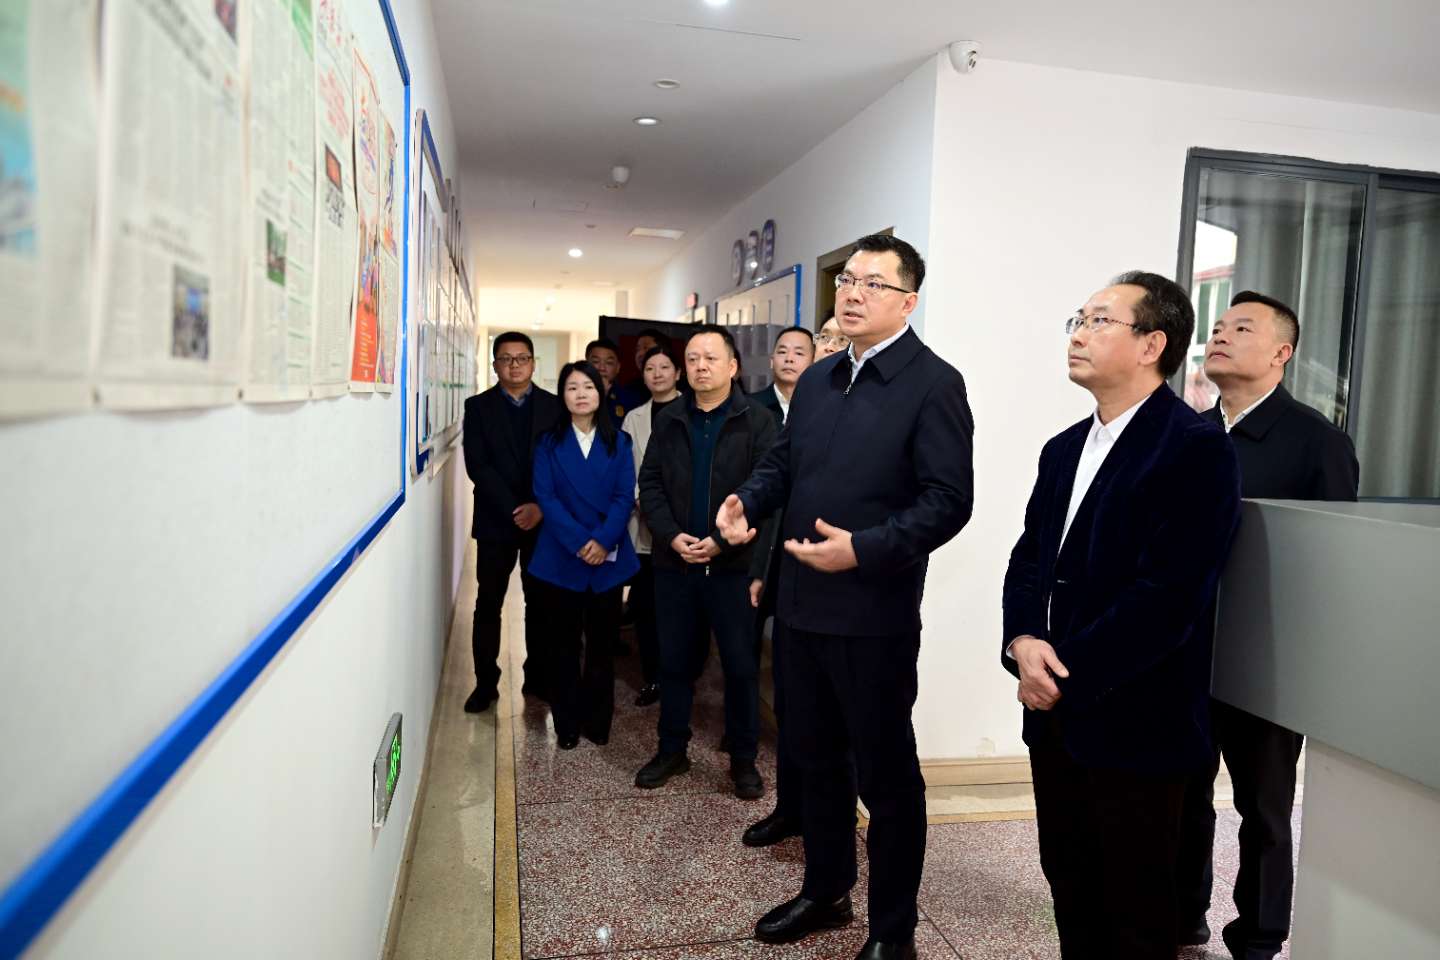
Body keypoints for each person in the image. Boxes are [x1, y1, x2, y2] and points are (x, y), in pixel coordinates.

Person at [717, 235, 975, 960]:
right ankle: (826, 890)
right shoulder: (821, 379)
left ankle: (894, 931)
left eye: (873, 283)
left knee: (886, 781)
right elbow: (782, 464)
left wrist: (864, 548)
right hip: (801, 608)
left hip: (872, 616)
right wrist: (746, 501)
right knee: (814, 760)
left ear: (908, 301)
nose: (854, 293)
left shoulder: (934, 383)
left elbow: (949, 501)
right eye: (849, 280)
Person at [1002, 271, 1242, 959]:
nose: (1079, 334)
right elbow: (1030, 558)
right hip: (1053, 715)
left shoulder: (1194, 447)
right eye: (1078, 320)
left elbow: (1169, 597)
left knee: (1137, 905)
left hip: (1139, 719)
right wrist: (1022, 639)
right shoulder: (1063, 448)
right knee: (1069, 881)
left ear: (1151, 344)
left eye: (1099, 321)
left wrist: (1061, 673)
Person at [1175, 291, 1359, 959]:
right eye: (1219, 326)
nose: (1220, 335)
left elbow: (1332, 566)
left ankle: (1258, 936)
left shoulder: (1317, 443)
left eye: (1241, 328)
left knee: (1265, 809)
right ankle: (1182, 915)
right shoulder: (1188, 433)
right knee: (1182, 794)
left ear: (1282, 352)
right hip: (1187, 651)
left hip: (1270, 660)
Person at [635, 325, 778, 800]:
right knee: (675, 664)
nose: (700, 366)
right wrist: (670, 536)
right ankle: (671, 750)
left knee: (739, 667)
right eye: (693, 358)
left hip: (732, 569)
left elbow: (768, 492)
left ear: (732, 366)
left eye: (711, 358)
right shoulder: (670, 418)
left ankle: (743, 760)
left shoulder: (759, 422)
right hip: (675, 565)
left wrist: (720, 542)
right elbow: (650, 484)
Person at [527, 362, 639, 750]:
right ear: (562, 395)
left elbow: (624, 497)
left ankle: (598, 719)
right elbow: (546, 498)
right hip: (562, 555)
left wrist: (603, 541)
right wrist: (580, 542)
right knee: (563, 645)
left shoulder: (620, 442)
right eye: (572, 387)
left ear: (601, 392)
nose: (580, 394)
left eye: (588, 386)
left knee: (602, 647)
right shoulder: (548, 443)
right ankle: (567, 722)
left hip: (606, 557)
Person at [460, 332, 560, 711]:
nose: (514, 365)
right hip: (495, 521)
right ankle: (485, 683)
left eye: (522, 358)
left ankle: (538, 677)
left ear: (533, 363)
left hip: (542, 523)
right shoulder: (478, 407)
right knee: (489, 603)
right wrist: (516, 509)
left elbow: (560, 463)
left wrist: (539, 507)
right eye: (506, 358)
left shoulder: (554, 407)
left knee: (541, 603)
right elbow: (478, 465)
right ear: (494, 365)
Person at [743, 325, 815, 848]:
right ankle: (790, 806)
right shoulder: (760, 411)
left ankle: (824, 816)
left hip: (831, 571)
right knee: (788, 695)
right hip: (773, 559)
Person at [620, 344, 684, 707]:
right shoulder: (634, 417)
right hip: (644, 524)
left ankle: (681, 676)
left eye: (664, 367)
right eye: (650, 368)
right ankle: (653, 677)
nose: (657, 374)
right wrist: (643, 500)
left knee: (680, 610)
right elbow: (627, 468)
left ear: (678, 373)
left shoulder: (694, 411)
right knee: (646, 607)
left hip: (684, 525)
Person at [618, 328, 669, 411]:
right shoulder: (628, 389)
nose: (640, 354)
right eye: (637, 349)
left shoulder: (680, 388)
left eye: (646, 348)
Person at [586, 337, 632, 422]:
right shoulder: (575, 395)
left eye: (609, 363)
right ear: (586, 364)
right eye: (596, 361)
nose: (602, 368)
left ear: (618, 368)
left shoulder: (629, 399)